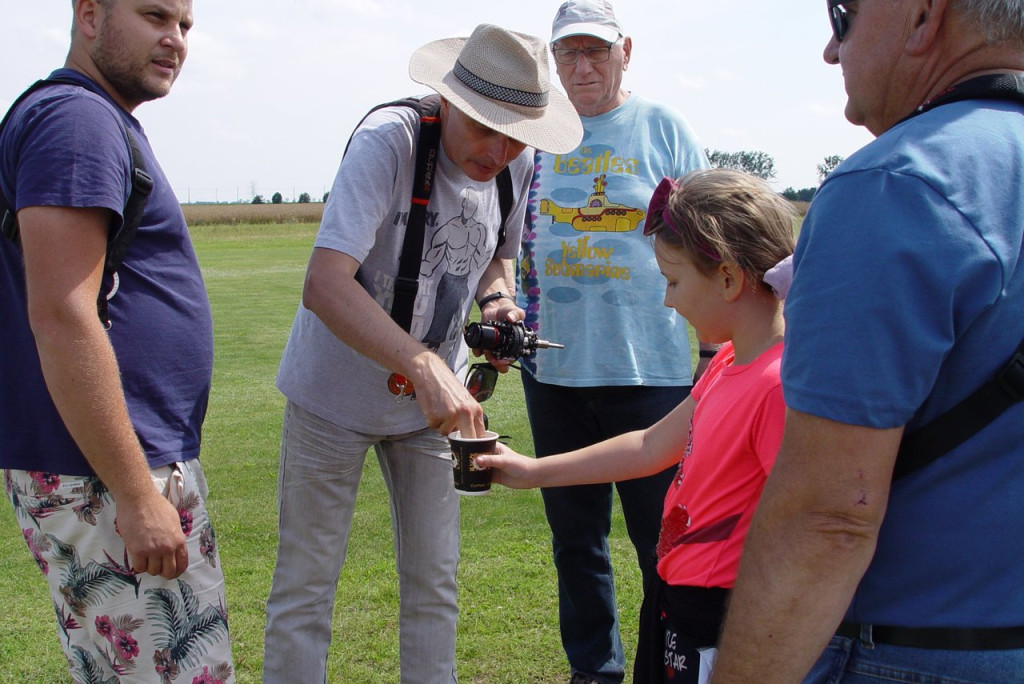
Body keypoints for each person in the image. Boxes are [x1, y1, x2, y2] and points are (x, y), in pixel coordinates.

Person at [712, 2, 1024, 683]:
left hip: (920, 649)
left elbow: (828, 517)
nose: (831, 49)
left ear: (923, 16)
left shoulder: (896, 184)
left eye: (844, 15)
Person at [261, 24, 582, 684]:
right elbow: (325, 283)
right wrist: (425, 363)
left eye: (518, 132)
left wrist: (498, 307)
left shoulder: (516, 165)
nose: (501, 149)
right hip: (333, 398)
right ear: (450, 99)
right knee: (305, 592)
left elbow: (498, 258)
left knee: (435, 588)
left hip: (430, 414)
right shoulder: (391, 142)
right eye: (488, 126)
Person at [480, 168, 795, 683]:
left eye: (673, 281)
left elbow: (796, 532)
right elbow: (650, 445)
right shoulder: (730, 363)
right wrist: (531, 470)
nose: (668, 299)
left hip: (725, 623)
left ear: (729, 279)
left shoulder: (778, 385)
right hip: (677, 603)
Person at [0, 1, 235, 683]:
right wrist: (135, 494)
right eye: (154, 14)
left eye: (186, 25)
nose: (175, 39)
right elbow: (63, 313)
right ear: (91, 15)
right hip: (108, 472)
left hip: (113, 465)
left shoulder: (90, 118)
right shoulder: (76, 120)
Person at [516, 1, 714, 681]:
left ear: (625, 49)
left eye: (595, 50)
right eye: (568, 52)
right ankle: (593, 668)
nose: (582, 66)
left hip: (651, 373)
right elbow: (500, 238)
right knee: (575, 541)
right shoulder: (533, 134)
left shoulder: (662, 127)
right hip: (551, 371)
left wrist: (716, 353)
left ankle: (669, 664)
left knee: (663, 539)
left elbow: (712, 237)